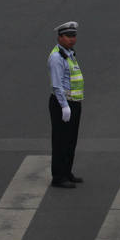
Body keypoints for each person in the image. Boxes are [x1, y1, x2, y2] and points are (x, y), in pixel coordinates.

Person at [47, 21, 84, 189]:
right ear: (59, 37)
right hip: (62, 104)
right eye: (68, 36)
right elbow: (57, 85)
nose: (72, 39)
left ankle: (67, 171)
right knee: (61, 141)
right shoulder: (57, 57)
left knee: (70, 140)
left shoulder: (68, 53)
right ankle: (59, 176)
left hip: (74, 102)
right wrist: (64, 106)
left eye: (73, 36)